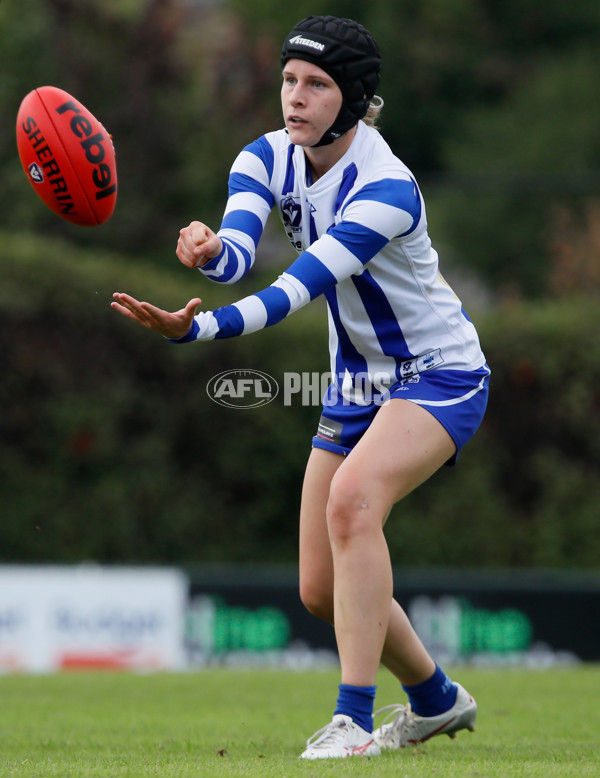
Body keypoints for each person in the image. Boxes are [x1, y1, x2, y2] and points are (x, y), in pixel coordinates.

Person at [112, 15, 489, 760]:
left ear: (355, 101)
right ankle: (437, 699)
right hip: (354, 383)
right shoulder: (264, 157)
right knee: (320, 588)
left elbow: (294, 289)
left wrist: (196, 333)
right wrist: (212, 249)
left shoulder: (386, 187)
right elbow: (240, 256)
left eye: (317, 85)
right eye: (289, 79)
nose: (296, 96)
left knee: (353, 503)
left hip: (438, 374)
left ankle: (351, 721)